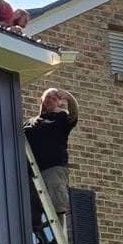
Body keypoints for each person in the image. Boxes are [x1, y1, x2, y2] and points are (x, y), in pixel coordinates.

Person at [25, 87, 78, 230]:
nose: (50, 100)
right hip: (32, 172)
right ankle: (40, 241)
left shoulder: (61, 118)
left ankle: (58, 240)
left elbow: (74, 115)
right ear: (41, 99)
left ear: (58, 103)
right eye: (48, 97)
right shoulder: (30, 123)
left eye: (54, 98)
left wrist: (69, 97)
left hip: (53, 168)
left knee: (56, 206)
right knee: (32, 210)